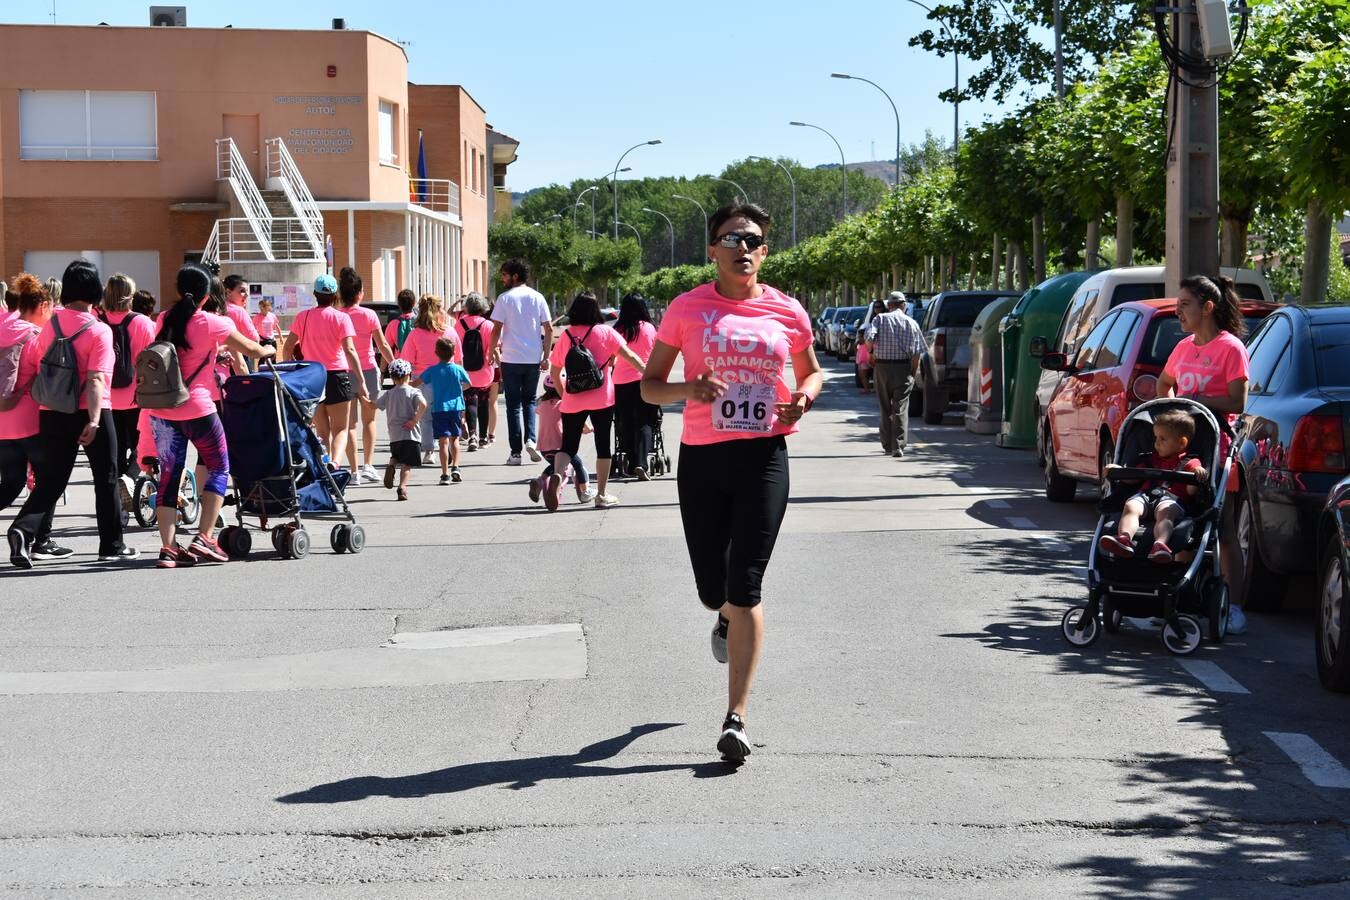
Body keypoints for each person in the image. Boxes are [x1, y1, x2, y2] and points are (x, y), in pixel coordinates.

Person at [641, 202, 822, 763]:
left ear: (765, 251)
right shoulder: (687, 308)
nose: (743, 247)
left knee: (746, 586)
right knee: (712, 592)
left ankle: (735, 717)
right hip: (703, 459)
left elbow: (811, 370)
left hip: (764, 457)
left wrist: (803, 400)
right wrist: (686, 389)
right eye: (731, 238)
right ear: (712, 250)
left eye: (754, 239)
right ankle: (721, 615)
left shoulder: (788, 311)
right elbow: (649, 386)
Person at [7, 259, 139, 567]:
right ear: (95, 290)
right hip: (91, 411)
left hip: (52, 411)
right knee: (105, 477)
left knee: (52, 480)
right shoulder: (99, 330)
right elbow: (95, 379)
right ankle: (111, 544)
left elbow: (30, 364)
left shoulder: (48, 324)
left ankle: (23, 529)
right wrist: (93, 420)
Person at [146, 263, 274, 568]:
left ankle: (167, 548)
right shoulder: (212, 323)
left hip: (163, 411)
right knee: (218, 466)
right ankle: (205, 536)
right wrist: (268, 350)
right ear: (206, 295)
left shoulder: (164, 319)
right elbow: (252, 350)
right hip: (199, 409)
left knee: (169, 477)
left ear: (179, 290)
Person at [1156, 274, 1251, 633]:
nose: (1178, 311)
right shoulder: (1183, 348)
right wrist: (1169, 407)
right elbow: (1164, 383)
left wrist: (1196, 402)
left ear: (1207, 307)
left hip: (1215, 448)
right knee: (1180, 519)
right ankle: (1175, 598)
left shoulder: (1230, 349)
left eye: (1185, 305)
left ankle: (1235, 605)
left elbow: (1238, 400)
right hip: (1182, 449)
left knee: (1223, 530)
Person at [546, 291, 646, 511]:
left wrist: (564, 396)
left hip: (573, 398)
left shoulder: (567, 335)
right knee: (603, 445)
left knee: (568, 446)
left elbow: (555, 372)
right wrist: (649, 374)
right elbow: (631, 356)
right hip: (602, 398)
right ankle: (601, 494)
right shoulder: (605, 332)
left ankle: (556, 475)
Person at [0, 274, 69, 561]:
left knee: (12, 482)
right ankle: (33, 535)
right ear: (42, 306)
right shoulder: (34, 336)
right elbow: (49, 379)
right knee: (49, 479)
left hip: (2, 423)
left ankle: (32, 535)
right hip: (31, 421)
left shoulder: (2, 326)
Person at [1099, 410, 1207, 563]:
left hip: (1171, 500)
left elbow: (1191, 491)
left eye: (1163, 439)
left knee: (1165, 513)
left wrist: (1198, 475)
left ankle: (1161, 544)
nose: (1156, 443)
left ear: (1181, 442)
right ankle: (1124, 538)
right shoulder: (1150, 459)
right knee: (1130, 506)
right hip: (1145, 495)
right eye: (1156, 437)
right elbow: (1132, 479)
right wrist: (1118, 470)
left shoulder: (1190, 463)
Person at [282, 274, 368, 464]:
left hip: (312, 377)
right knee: (341, 429)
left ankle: (324, 466)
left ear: (315, 294)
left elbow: (288, 347)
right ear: (335, 295)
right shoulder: (341, 318)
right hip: (337, 376)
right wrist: (361, 381)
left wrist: (290, 373)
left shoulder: (303, 317)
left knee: (322, 431)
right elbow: (350, 350)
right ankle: (335, 463)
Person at [488, 258, 553, 466]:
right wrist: (546, 356)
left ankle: (515, 453)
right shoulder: (538, 297)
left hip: (510, 358)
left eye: (505, 274)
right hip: (533, 358)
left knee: (513, 405)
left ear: (515, 276)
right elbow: (549, 328)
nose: (502, 278)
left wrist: (491, 351)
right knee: (530, 401)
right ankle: (531, 440)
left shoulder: (504, 298)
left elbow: (496, 329)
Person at [337, 267, 396, 485]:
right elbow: (382, 345)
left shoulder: (338, 316)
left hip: (344, 370)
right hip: (369, 371)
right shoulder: (369, 315)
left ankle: (354, 471)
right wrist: (395, 365)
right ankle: (368, 465)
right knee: (369, 419)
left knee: (349, 424)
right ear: (360, 292)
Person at [98, 273, 157, 482]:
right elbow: (153, 362)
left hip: (105, 399)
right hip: (136, 397)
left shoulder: (97, 322)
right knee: (141, 446)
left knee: (115, 450)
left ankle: (118, 489)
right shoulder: (142, 323)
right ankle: (129, 479)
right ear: (129, 296)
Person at [400, 294, 459, 464]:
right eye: (441, 308)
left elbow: (406, 361)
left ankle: (429, 451)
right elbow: (459, 359)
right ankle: (446, 447)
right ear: (436, 311)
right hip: (447, 379)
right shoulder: (449, 331)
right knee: (447, 414)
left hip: (422, 379)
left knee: (425, 417)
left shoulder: (415, 334)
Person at [866, 291, 924, 458]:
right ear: (904, 305)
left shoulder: (880, 319)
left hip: (882, 368)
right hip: (903, 369)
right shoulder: (912, 323)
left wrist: (871, 351)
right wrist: (912, 374)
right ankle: (898, 446)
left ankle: (886, 445)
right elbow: (917, 353)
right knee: (900, 408)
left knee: (884, 408)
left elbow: (869, 338)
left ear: (889, 305)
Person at [612, 292, 660, 480]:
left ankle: (631, 463)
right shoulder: (650, 328)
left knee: (625, 422)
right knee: (645, 421)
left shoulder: (618, 329)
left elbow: (611, 357)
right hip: (645, 379)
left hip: (621, 382)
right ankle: (641, 463)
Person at [529, 375, 596, 506]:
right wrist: (590, 429)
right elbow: (582, 424)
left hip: (544, 448)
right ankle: (585, 491)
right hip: (561, 446)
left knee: (554, 466)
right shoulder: (564, 404)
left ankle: (540, 482)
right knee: (578, 464)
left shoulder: (542, 404)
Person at [415, 338, 470, 485]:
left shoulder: (432, 370)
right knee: (455, 439)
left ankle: (445, 474)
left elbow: (418, 382)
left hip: (439, 408)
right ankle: (456, 467)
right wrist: (458, 390)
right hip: (456, 408)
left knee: (443, 442)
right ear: (454, 352)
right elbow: (468, 384)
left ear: (436, 353)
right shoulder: (458, 369)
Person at [376, 358, 426, 502]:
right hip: (411, 435)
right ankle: (402, 487)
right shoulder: (413, 391)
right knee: (406, 465)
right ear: (409, 375)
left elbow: (374, 405)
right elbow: (423, 404)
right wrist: (414, 420)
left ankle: (391, 465)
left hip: (394, 435)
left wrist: (363, 397)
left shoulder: (389, 394)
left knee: (396, 455)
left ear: (391, 377)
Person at [455, 291, 496, 452]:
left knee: (470, 402)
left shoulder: (459, 324)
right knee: (484, 403)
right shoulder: (488, 325)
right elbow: (495, 346)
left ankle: (471, 435)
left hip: (465, 370)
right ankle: (483, 437)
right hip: (484, 370)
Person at [383, 288, 418, 359]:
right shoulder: (420, 322)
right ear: (414, 303)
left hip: (400, 365)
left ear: (399, 304)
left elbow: (386, 347)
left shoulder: (392, 325)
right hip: (417, 363)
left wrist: (382, 368)